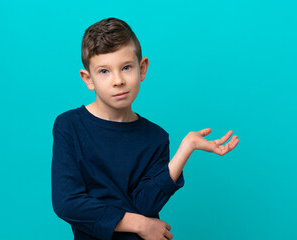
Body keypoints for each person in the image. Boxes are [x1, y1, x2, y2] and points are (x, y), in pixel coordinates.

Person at [51, 17, 240, 240]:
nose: (118, 80)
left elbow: (145, 203)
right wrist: (139, 224)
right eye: (104, 71)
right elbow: (68, 202)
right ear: (87, 79)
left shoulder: (156, 137)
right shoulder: (69, 126)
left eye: (126, 67)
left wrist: (185, 149)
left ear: (142, 69)